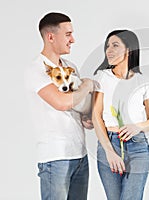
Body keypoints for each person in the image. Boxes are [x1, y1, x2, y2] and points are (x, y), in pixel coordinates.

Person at [25, 12, 95, 200]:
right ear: (50, 37)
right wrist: (88, 85)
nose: (73, 40)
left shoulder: (70, 66)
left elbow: (78, 104)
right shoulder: (36, 69)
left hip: (80, 155)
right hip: (55, 158)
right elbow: (62, 103)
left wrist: (86, 118)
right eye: (68, 34)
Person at [92, 30, 149, 200]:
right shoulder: (102, 77)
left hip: (138, 147)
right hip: (110, 143)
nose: (109, 50)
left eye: (115, 45)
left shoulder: (144, 81)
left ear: (129, 49)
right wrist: (109, 151)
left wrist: (137, 126)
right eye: (107, 46)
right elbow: (96, 116)